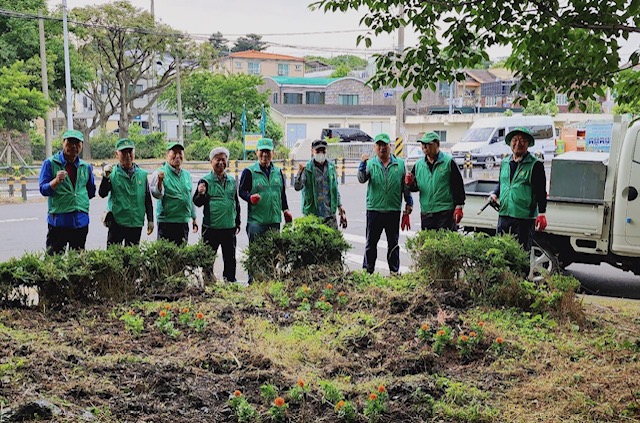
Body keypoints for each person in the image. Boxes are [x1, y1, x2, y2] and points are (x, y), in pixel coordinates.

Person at [358, 133, 413, 274]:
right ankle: (367, 272)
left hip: (393, 210)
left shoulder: (399, 164)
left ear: (390, 146)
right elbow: (361, 179)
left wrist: (409, 202)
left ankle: (394, 272)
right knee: (371, 243)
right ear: (375, 147)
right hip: (374, 209)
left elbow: (405, 186)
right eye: (379, 145)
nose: (382, 148)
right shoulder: (370, 164)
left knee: (393, 244)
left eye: (385, 145)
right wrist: (362, 164)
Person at [489, 127, 548, 250]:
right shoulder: (505, 162)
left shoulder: (535, 165)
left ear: (528, 144)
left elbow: (541, 192)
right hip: (504, 214)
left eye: (522, 141)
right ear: (510, 143)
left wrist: (542, 213)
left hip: (524, 218)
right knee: (501, 253)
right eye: (515, 140)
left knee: (521, 255)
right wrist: (495, 194)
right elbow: (503, 183)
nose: (518, 144)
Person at [39, 129, 96, 254]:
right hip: (59, 222)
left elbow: (91, 191)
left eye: (77, 143)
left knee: (78, 262)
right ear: (63, 143)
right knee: (54, 261)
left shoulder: (85, 166)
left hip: (80, 222)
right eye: (70, 143)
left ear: (81, 145)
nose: (74, 147)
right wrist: (56, 181)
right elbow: (43, 189)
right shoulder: (50, 163)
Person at [193, 147, 241, 282]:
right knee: (208, 259)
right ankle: (208, 283)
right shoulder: (205, 181)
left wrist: (237, 221)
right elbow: (197, 202)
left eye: (223, 159)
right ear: (211, 161)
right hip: (211, 228)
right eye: (217, 159)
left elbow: (235, 202)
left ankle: (230, 282)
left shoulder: (231, 180)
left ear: (227, 161)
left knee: (230, 258)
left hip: (229, 227)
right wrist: (200, 193)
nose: (220, 162)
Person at [99, 138, 154, 247]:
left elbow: (147, 199)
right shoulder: (112, 173)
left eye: (130, 152)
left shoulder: (142, 175)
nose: (127, 155)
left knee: (132, 258)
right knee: (114, 257)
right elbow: (102, 193)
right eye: (123, 152)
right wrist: (105, 178)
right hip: (117, 223)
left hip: (135, 222)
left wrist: (150, 220)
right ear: (116, 154)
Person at [406, 132, 465, 230]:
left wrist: (459, 206)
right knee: (428, 243)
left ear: (437, 144)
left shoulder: (448, 162)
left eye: (428, 144)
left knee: (445, 243)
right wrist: (410, 183)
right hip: (427, 213)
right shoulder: (418, 165)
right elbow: (415, 187)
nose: (424, 146)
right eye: (422, 144)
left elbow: (458, 185)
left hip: (445, 212)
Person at [239, 138, 292, 243]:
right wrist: (250, 198)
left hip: (274, 221)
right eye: (261, 151)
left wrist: (285, 210)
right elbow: (241, 191)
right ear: (256, 152)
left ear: (272, 153)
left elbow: (281, 194)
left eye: (267, 151)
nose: (264, 154)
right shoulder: (249, 171)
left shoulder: (278, 172)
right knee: (257, 255)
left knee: (273, 254)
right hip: (256, 222)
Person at [150, 141, 198, 245]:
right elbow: (157, 194)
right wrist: (160, 182)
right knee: (166, 256)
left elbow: (189, 197)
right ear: (167, 155)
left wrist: (194, 218)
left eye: (180, 153)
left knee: (181, 256)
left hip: (183, 222)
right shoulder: (160, 173)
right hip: (167, 222)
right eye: (174, 153)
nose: (177, 156)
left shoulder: (186, 175)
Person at [294, 139, 346, 229]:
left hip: (329, 214)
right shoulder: (307, 168)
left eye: (323, 151)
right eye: (318, 151)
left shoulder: (331, 167)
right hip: (312, 215)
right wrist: (299, 172)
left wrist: (340, 207)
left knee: (333, 240)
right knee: (314, 241)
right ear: (312, 151)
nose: (321, 153)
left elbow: (335, 189)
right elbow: (297, 187)